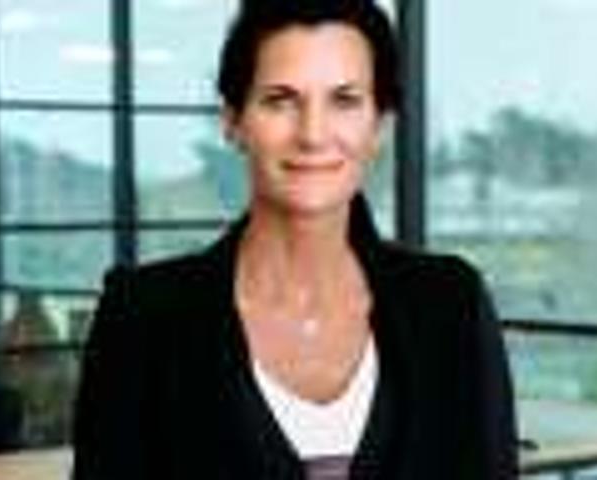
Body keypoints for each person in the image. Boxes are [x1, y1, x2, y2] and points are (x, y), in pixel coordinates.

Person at [71, 0, 519, 478]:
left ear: (380, 126)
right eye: (280, 100)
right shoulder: (142, 316)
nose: (312, 134)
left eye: (344, 100)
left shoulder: (450, 303)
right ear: (233, 120)